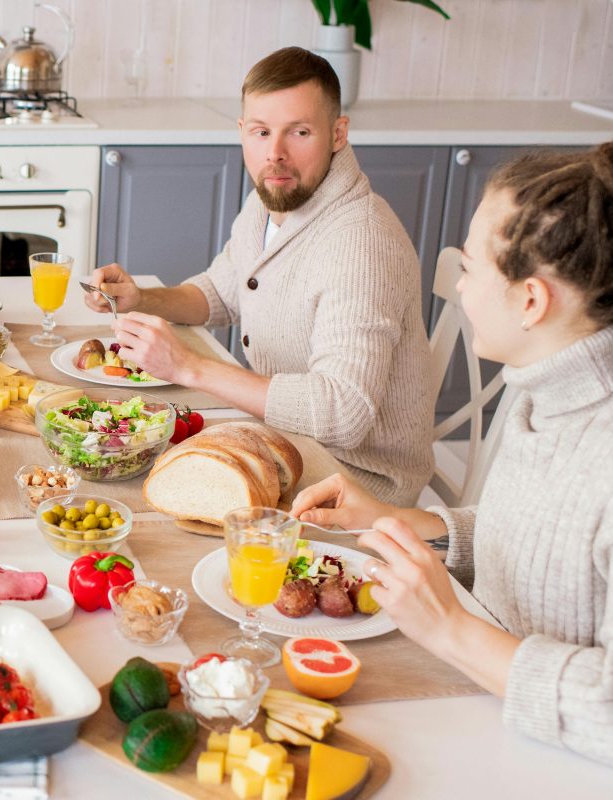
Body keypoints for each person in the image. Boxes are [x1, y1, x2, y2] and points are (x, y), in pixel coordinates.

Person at [290, 131, 613, 779]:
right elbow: (542, 542)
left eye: (468, 269)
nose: (459, 290)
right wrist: (399, 521)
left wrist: (449, 629)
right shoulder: (542, 392)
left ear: (531, 300)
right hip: (486, 716)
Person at [85, 47, 433, 505]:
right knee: (112, 453)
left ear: (338, 134)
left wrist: (188, 366)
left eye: (300, 132)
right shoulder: (271, 198)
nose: (275, 154)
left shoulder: (361, 243)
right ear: (242, 131)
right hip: (286, 441)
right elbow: (221, 292)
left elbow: (342, 413)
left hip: (356, 484)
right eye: (262, 132)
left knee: (131, 490)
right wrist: (142, 298)